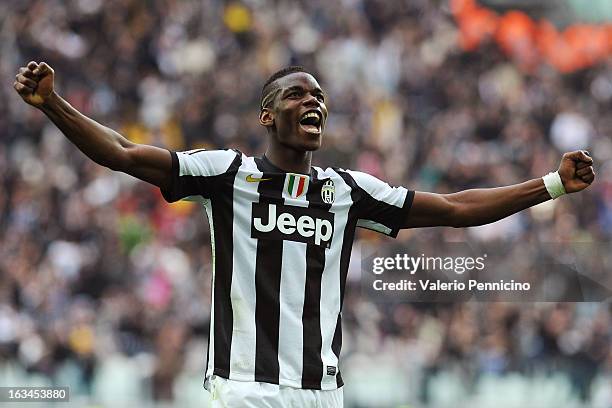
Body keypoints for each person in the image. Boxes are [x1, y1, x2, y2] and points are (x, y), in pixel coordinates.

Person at [14, 62, 595, 407]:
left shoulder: (349, 192)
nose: (313, 101)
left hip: (320, 395)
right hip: (243, 388)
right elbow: (120, 153)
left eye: (319, 96)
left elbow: (453, 207)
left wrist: (551, 185)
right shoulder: (226, 174)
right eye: (298, 94)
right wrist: (53, 104)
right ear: (267, 116)